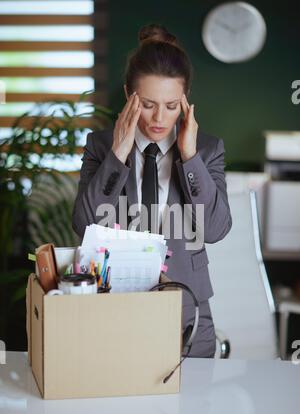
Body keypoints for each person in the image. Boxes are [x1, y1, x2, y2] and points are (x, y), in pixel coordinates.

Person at [72, 24, 232, 358]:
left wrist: (189, 158)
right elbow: (84, 224)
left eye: (172, 105)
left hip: (187, 310)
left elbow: (215, 230)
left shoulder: (206, 150)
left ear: (185, 102)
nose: (160, 118)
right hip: (116, 306)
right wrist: (117, 154)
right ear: (129, 94)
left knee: (194, 404)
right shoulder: (101, 147)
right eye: (147, 104)